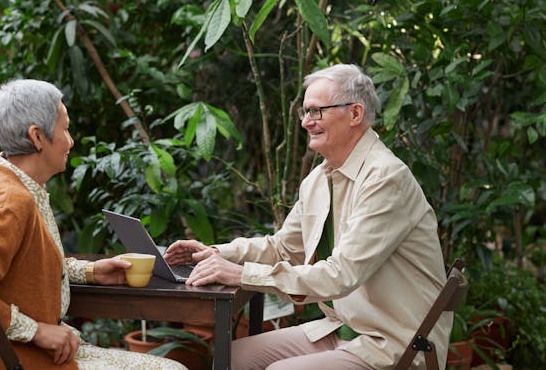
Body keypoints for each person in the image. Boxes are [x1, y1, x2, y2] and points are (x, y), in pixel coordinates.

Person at [164, 64, 450, 369]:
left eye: (316, 112)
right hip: (342, 328)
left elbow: (342, 275)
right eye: (304, 112)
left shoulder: (385, 178)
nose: (305, 122)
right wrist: (218, 254)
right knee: (234, 356)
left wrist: (240, 274)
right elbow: (284, 248)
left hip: (396, 342)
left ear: (354, 114)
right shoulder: (319, 179)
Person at [0, 79, 185, 370]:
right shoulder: (9, 202)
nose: (71, 140)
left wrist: (91, 272)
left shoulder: (16, 184)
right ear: (38, 137)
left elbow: (26, 266)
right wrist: (37, 331)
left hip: (21, 353)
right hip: (10, 359)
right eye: (65, 129)